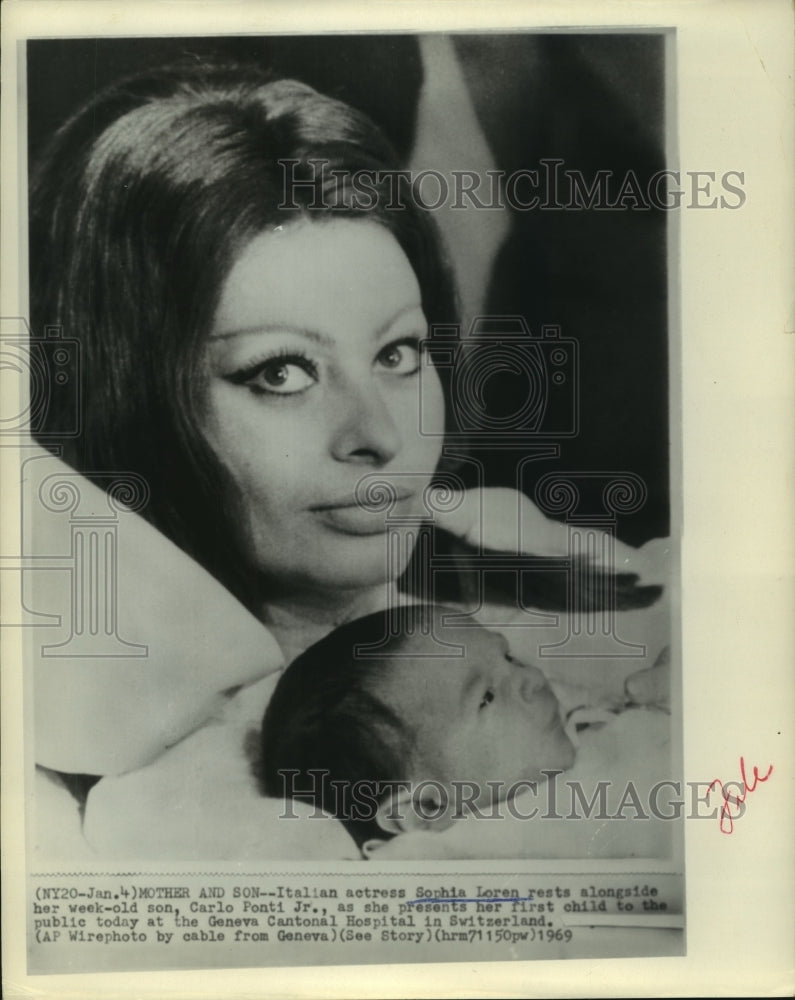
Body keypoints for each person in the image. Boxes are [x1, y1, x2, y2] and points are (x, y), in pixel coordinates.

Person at [28, 62, 667, 852]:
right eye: (281, 372)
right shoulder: (92, 772)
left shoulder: (487, 537)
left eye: (398, 353)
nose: (381, 436)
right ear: (132, 402)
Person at [261, 606, 671, 858]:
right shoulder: (474, 854)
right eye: (487, 697)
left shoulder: (581, 725)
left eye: (508, 657)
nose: (531, 678)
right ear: (427, 809)